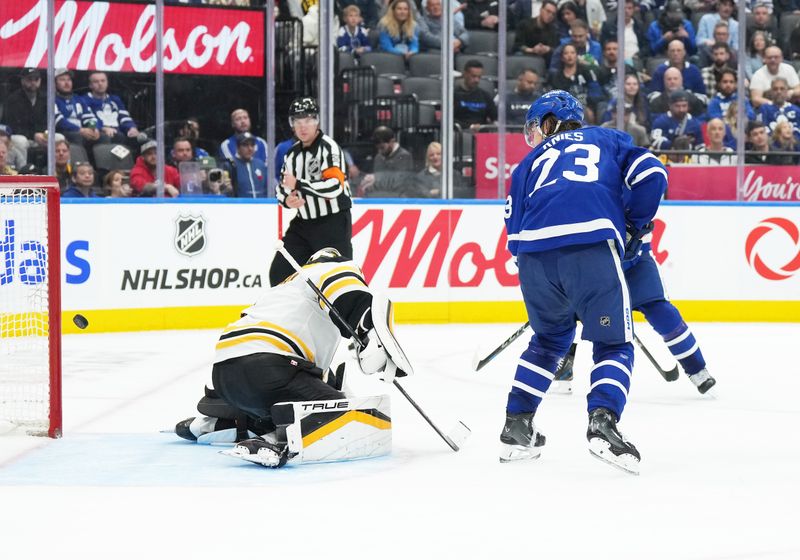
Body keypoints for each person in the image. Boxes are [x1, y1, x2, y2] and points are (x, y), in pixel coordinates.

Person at [500, 90, 666, 474]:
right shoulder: (607, 138)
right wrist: (633, 224)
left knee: (548, 342)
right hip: (591, 247)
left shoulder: (526, 164)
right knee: (614, 343)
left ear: (550, 122)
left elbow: (512, 231)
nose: (535, 136)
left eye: (536, 127)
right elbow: (653, 173)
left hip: (532, 256)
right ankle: (603, 422)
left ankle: (516, 426)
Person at [174, 248, 399, 467]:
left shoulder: (284, 289)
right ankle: (276, 439)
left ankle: (216, 424)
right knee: (349, 417)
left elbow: (311, 377)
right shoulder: (331, 267)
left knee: (294, 398)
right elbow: (351, 293)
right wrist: (372, 334)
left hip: (225, 373)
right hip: (269, 367)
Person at [268, 97, 353, 286]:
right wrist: (287, 200)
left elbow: (334, 187)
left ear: (316, 121)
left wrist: (299, 184)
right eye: (297, 122)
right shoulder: (291, 154)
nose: (302, 126)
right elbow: (282, 188)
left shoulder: (329, 148)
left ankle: (345, 314)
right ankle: (291, 314)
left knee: (337, 278)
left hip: (332, 223)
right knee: (279, 273)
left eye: (307, 120)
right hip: (303, 225)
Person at [359, 126, 417, 197]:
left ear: (392, 141)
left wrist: (375, 178)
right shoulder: (378, 157)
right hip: (380, 197)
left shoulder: (404, 156)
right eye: (378, 148)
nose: (380, 151)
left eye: (382, 147)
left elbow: (401, 182)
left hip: (399, 199)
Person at [84, 71, 140, 144]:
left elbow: (124, 117)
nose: (100, 84)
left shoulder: (115, 99)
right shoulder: (84, 99)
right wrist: (102, 128)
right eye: (96, 82)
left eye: (103, 81)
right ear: (90, 85)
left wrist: (132, 128)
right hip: (100, 133)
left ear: (107, 83)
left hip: (118, 132)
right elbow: (87, 120)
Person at [4, 68, 47, 161]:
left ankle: (55, 171)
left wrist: (44, 134)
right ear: (22, 80)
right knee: (21, 141)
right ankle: (22, 171)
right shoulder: (13, 99)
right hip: (21, 136)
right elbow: (12, 126)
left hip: (41, 136)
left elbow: (48, 121)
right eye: (29, 79)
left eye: (36, 79)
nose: (33, 82)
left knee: (59, 138)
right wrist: (33, 135)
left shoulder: (45, 98)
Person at [54, 68, 102, 149]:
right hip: (63, 131)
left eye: (69, 80)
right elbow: (59, 121)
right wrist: (80, 130)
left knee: (103, 137)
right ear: (55, 83)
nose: (67, 83)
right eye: (62, 80)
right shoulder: (52, 99)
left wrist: (93, 128)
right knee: (77, 136)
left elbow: (90, 117)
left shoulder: (78, 99)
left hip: (81, 130)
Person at [454, 59, 498, 129]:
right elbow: (449, 119)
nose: (477, 80)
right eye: (473, 76)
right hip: (460, 133)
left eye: (479, 77)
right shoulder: (454, 95)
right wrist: (470, 127)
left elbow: (495, 117)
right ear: (465, 74)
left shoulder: (485, 96)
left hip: (481, 133)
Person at [512, 0, 559, 64]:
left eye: (553, 14)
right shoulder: (524, 24)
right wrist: (532, 50)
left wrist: (548, 49)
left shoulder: (554, 30)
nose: (550, 15)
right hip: (526, 57)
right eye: (548, 11)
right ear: (541, 10)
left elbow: (556, 48)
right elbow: (517, 46)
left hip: (545, 60)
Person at [225, 132, 269, 197]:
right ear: (238, 147)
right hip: (240, 205)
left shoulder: (260, 165)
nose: (250, 148)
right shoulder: (231, 165)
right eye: (245, 145)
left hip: (261, 205)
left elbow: (267, 188)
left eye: (252, 145)